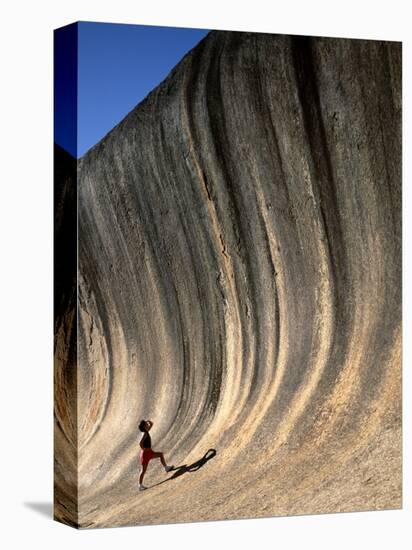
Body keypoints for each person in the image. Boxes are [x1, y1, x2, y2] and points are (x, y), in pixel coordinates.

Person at [138, 419, 174, 491]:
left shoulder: (146, 431)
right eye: (146, 424)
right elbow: (140, 443)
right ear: (144, 426)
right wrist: (144, 449)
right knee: (143, 470)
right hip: (145, 454)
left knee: (160, 454)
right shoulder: (144, 433)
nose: (147, 425)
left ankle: (166, 467)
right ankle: (140, 485)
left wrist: (148, 421)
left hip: (149, 452)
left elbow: (151, 424)